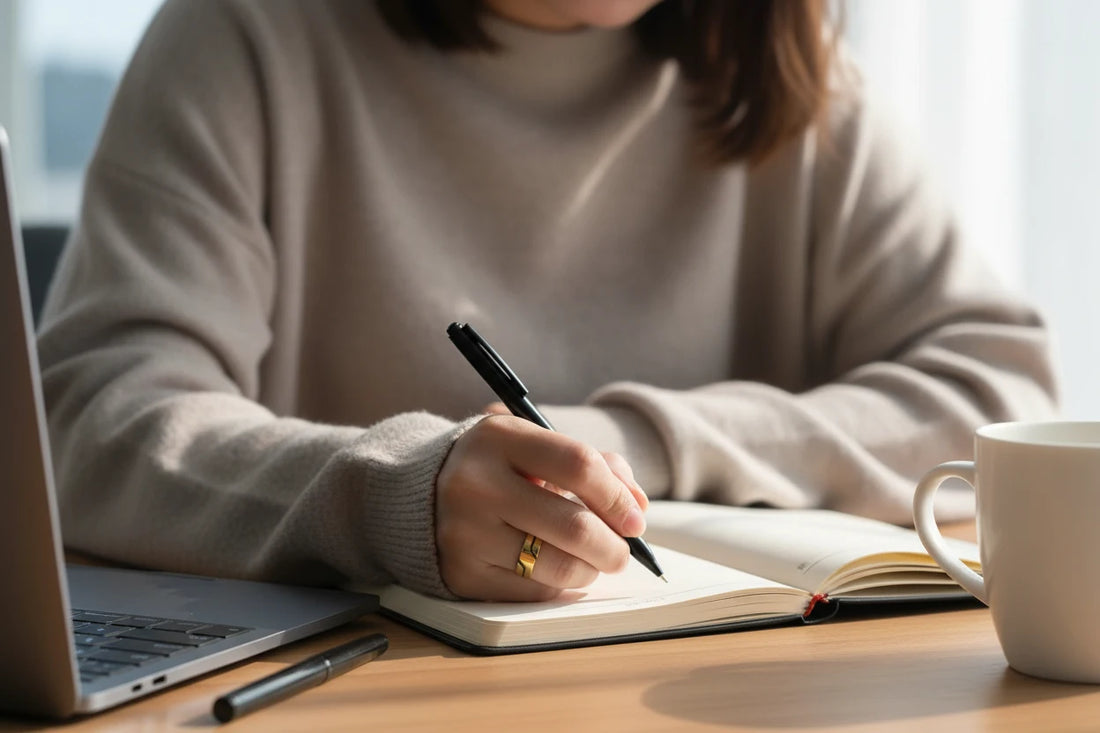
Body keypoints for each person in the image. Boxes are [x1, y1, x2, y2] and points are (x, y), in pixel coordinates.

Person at [37, 0, 1058, 603]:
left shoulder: (793, 78)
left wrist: (627, 447)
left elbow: (998, 397)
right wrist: (391, 495)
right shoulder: (244, 36)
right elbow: (91, 418)